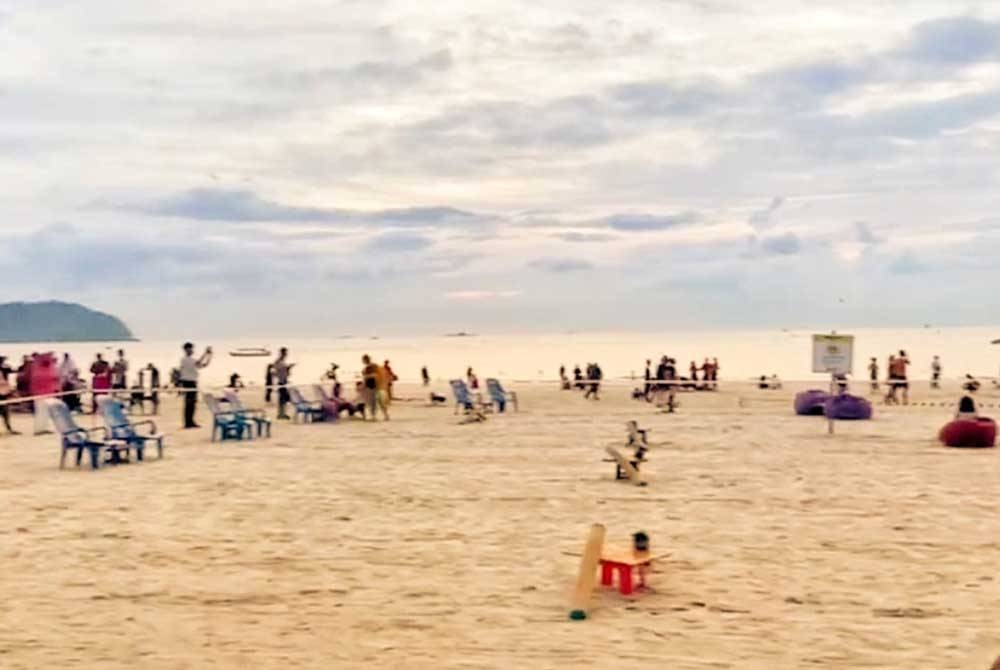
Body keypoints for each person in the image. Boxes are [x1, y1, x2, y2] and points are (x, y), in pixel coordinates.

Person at [178, 342, 212, 429]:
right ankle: (187, 422)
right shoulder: (185, 359)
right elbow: (198, 362)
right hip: (188, 382)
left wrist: (209, 356)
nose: (191, 350)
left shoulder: (191, 360)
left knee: (193, 403)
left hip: (193, 381)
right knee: (189, 402)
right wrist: (205, 353)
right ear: (186, 350)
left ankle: (191, 421)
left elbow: (203, 365)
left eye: (191, 348)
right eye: (189, 349)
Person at [273, 348, 294, 420]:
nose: (286, 355)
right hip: (281, 381)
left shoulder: (282, 361)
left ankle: (282, 413)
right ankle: (281, 414)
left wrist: (288, 368)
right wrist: (287, 368)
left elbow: (284, 372)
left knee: (284, 398)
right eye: (285, 353)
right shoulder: (278, 361)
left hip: (284, 381)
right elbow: (277, 370)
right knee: (282, 398)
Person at [0, 356, 19, 435]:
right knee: (5, 413)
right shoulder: (4, 369)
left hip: (3, 393)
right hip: (2, 393)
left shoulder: (4, 369)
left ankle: (9, 428)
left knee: (6, 413)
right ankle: (9, 428)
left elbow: (13, 371)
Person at [361, 355, 380, 421]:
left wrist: (366, 376)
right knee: (370, 401)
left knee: (372, 401)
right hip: (369, 386)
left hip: (372, 385)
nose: (362, 361)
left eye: (363, 360)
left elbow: (375, 376)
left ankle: (373, 416)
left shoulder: (371, 366)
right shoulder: (367, 367)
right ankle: (372, 415)